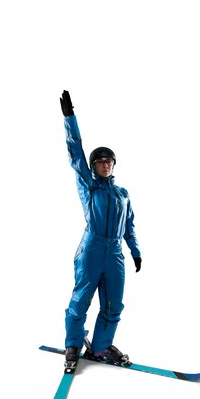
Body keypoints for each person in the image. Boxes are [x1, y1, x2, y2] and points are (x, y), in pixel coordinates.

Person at [59, 90, 142, 371]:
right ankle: (73, 344)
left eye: (109, 161)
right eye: (100, 161)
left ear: (113, 165)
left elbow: (129, 225)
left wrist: (135, 251)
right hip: (92, 250)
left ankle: (101, 347)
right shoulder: (89, 185)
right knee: (80, 300)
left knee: (113, 305)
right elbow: (75, 153)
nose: (105, 164)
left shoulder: (122, 194)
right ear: (94, 166)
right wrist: (70, 118)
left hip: (115, 253)